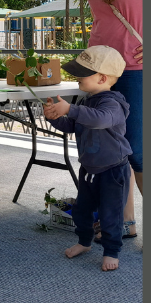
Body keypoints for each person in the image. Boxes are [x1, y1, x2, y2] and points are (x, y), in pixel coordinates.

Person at [68, 0, 143, 238]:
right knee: (110, 148)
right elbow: (101, 23)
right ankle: (122, 222)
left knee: (140, 151)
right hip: (97, 69)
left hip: (138, 70)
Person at [42, 46, 132, 271]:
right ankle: (84, 241)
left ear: (102, 78)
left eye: (83, 73)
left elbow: (101, 120)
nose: (77, 77)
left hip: (113, 170)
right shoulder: (87, 101)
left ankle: (111, 251)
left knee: (110, 213)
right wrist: (55, 116)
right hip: (89, 168)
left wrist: (71, 109)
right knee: (82, 209)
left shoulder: (114, 104)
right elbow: (72, 125)